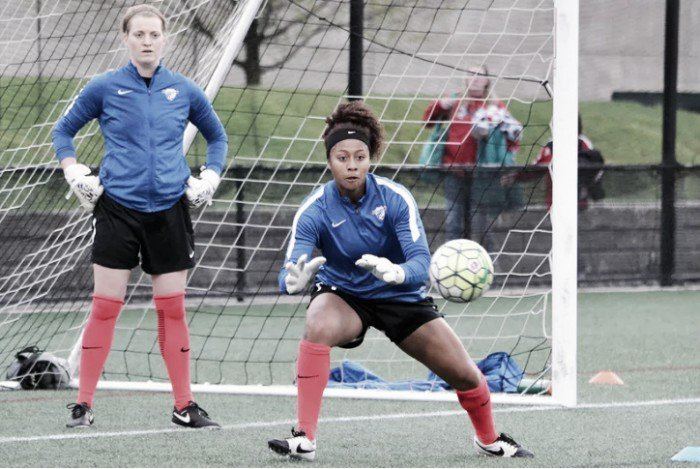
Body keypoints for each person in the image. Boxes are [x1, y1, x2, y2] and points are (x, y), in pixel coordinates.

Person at [267, 101, 532, 461]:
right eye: (342, 157)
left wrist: (396, 272)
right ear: (329, 160)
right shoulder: (314, 209)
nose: (351, 165)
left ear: (370, 158)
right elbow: (291, 265)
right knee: (317, 322)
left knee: (466, 375)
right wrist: (292, 281)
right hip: (345, 295)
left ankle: (488, 438)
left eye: (359, 156)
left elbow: (422, 263)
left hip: (402, 296)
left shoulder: (396, 199)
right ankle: (304, 436)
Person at [51, 4, 227, 429]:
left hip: (169, 211)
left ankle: (184, 406)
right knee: (105, 308)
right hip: (118, 211)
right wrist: (72, 168)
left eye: (154, 35)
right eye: (139, 34)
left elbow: (217, 136)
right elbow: (62, 131)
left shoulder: (184, 89)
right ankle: (84, 404)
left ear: (165, 40)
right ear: (126, 38)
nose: (147, 41)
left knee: (173, 310)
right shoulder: (104, 87)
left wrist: (211, 176)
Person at [423, 66, 522, 250]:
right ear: (466, 79)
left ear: (487, 81)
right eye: (471, 74)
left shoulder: (495, 106)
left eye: (480, 75)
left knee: (481, 226)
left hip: (482, 177)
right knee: (453, 224)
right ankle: (450, 269)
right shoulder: (455, 101)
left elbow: (513, 136)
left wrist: (506, 162)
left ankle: (489, 269)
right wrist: (439, 105)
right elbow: (427, 121)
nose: (475, 78)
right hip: (454, 172)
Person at [502, 115, 603, 210]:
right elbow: (537, 168)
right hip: (559, 204)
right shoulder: (555, 145)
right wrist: (516, 176)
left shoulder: (580, 145)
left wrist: (515, 176)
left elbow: (537, 168)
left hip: (574, 204)